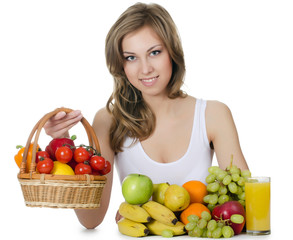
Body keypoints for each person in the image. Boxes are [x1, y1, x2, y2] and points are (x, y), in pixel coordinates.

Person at [44, 3, 249, 229]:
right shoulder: (109, 120)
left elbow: (244, 205)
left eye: (154, 52)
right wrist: (62, 146)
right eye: (131, 57)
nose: (145, 69)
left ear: (172, 51)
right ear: (121, 65)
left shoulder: (213, 115)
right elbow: (90, 220)